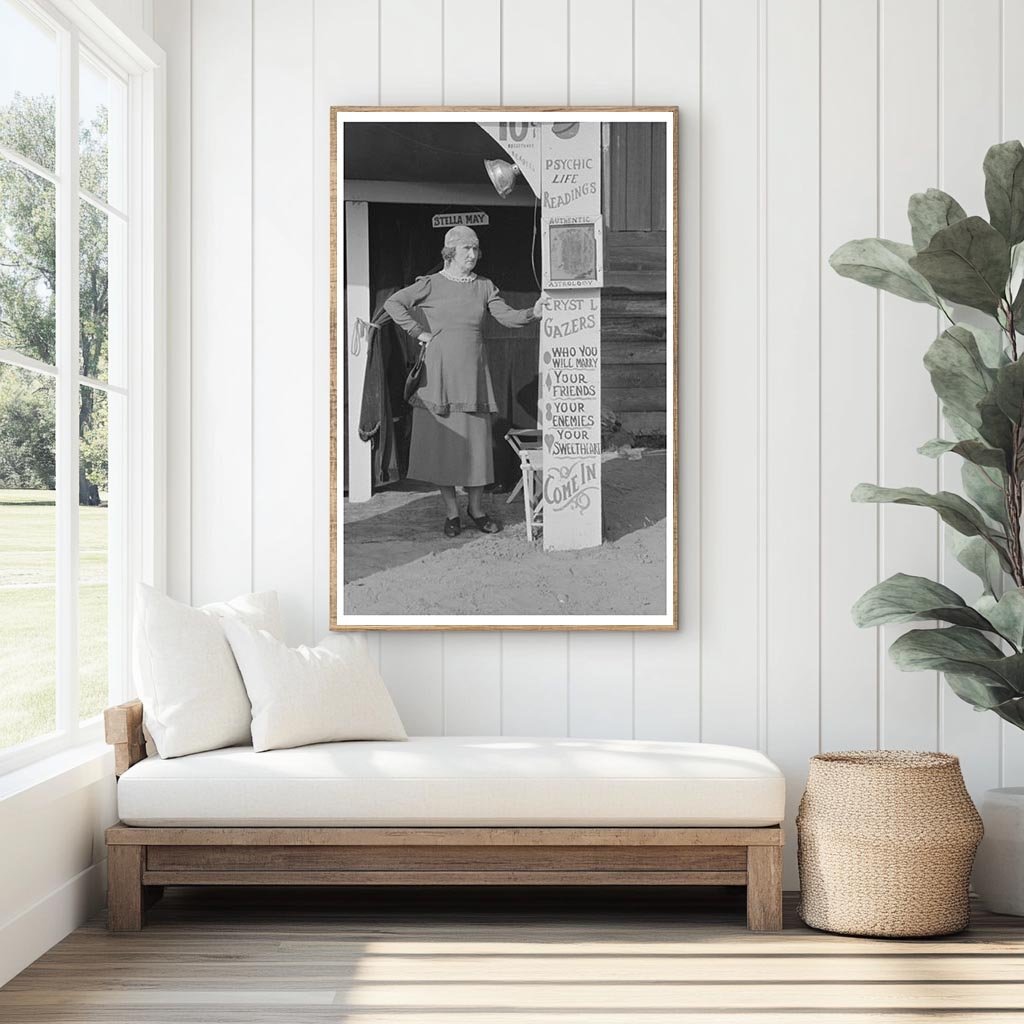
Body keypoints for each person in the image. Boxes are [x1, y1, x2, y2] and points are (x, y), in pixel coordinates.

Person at [384, 226, 543, 537]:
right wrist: (420, 333)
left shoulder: (484, 286)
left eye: (476, 249)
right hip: (439, 379)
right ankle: (452, 512)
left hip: (473, 380)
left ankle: (477, 509)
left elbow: (507, 317)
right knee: (445, 449)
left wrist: (532, 312)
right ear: (450, 252)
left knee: (476, 451)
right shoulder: (430, 284)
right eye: (466, 249)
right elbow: (393, 304)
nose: (473, 255)